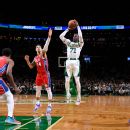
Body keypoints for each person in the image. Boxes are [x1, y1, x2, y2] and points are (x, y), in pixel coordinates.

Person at [24, 28, 53, 113]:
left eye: (39, 47)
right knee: (38, 89)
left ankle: (50, 106)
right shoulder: (35, 58)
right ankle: (37, 103)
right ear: (35, 49)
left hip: (45, 74)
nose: (38, 48)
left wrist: (49, 37)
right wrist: (27, 61)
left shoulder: (43, 53)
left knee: (48, 89)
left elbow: (46, 46)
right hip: (39, 74)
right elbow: (30, 67)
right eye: (36, 47)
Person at [59, 20, 84, 105]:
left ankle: (79, 96)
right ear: (73, 37)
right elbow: (60, 36)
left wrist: (78, 27)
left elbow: (80, 36)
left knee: (77, 80)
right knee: (67, 80)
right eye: (75, 35)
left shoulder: (80, 43)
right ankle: (68, 94)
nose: (76, 35)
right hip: (69, 61)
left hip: (75, 61)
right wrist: (68, 29)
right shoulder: (69, 42)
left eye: (77, 35)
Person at [0, 48, 21, 124]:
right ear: (10, 55)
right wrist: (15, 87)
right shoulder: (10, 60)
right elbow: (8, 73)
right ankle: (10, 117)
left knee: (6, 96)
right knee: (9, 96)